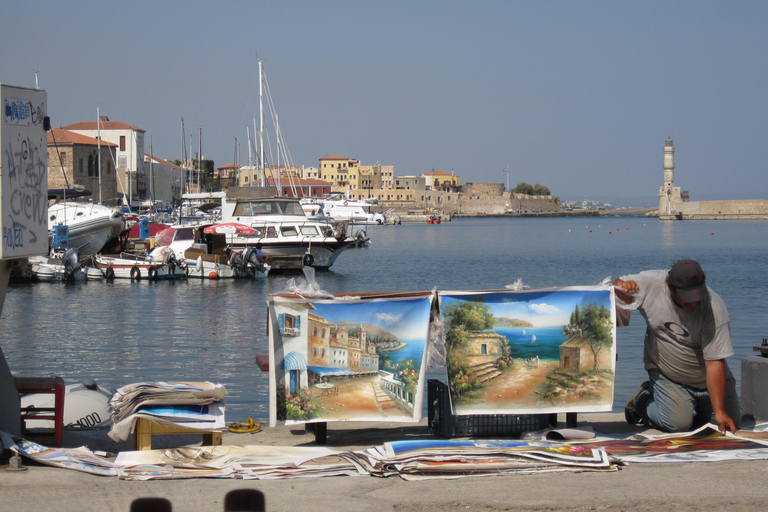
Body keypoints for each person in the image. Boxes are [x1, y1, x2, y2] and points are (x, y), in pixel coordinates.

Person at [613, 259, 739, 435]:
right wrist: (623, 287)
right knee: (678, 425)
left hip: (706, 378)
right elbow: (617, 288)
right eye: (688, 298)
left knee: (726, 425)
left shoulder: (714, 309)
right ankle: (642, 401)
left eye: (697, 297)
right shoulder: (651, 284)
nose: (693, 303)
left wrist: (720, 411)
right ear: (671, 288)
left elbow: (714, 363)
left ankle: (692, 406)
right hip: (669, 374)